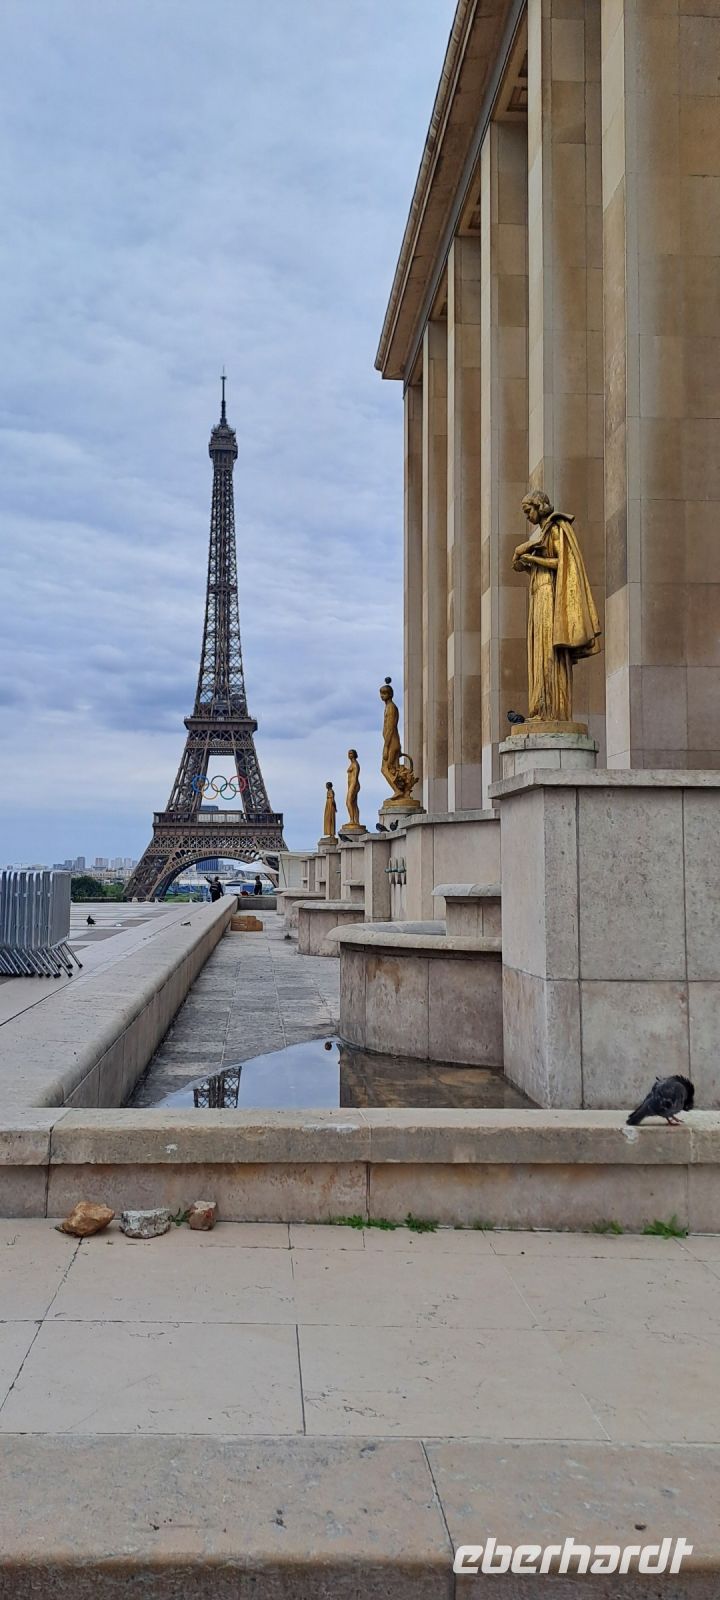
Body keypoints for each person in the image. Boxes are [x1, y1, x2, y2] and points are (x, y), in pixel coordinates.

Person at [512, 491, 600, 723]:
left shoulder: (556, 528)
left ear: (538, 506)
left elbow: (562, 562)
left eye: (528, 511)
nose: (527, 516)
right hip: (539, 596)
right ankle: (540, 709)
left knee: (548, 652)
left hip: (550, 595)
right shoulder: (543, 534)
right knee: (539, 653)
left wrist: (532, 558)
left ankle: (552, 710)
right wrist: (524, 562)